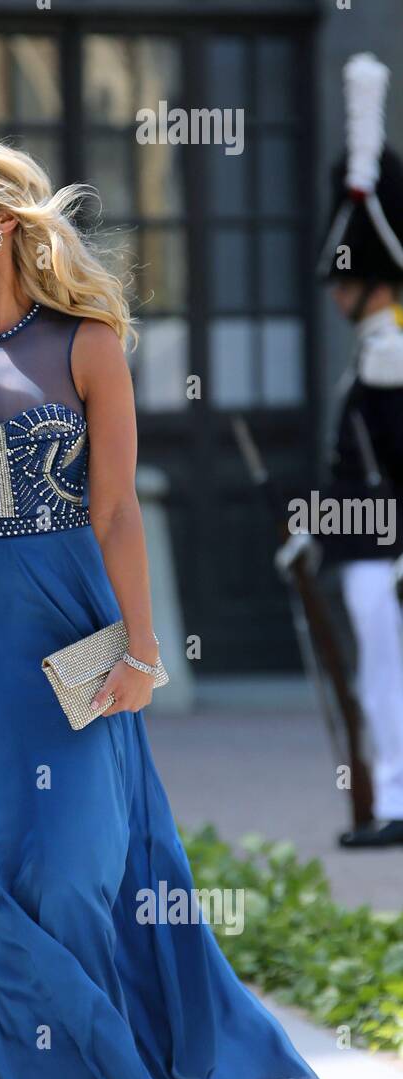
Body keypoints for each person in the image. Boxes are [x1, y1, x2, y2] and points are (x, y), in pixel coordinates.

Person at [0, 135, 324, 1079]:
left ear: (6, 221)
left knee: (77, 870)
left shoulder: (87, 346)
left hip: (71, 634)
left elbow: (116, 510)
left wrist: (139, 648)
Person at [314, 52, 403, 849]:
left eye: (347, 278)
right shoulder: (378, 345)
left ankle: (400, 801)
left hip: (390, 546)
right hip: (371, 540)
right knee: (380, 677)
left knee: (387, 675)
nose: (337, 291)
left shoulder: (391, 351)